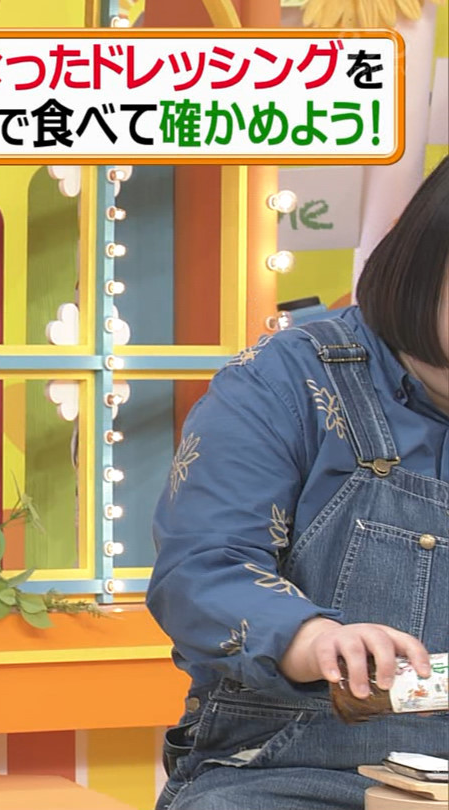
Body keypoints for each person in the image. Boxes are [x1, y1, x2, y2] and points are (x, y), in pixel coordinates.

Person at [148, 157, 449, 810]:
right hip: (291, 772)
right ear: (426, 261)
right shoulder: (287, 380)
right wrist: (312, 640)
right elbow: (201, 567)